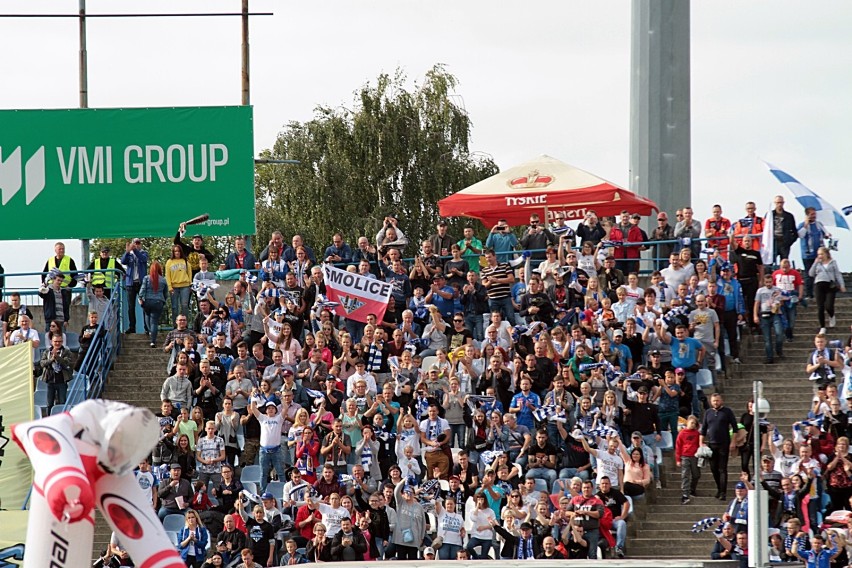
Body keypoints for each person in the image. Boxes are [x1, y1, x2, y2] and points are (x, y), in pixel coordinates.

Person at [700, 393, 739, 501]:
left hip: (724, 444)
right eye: (713, 401)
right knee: (713, 469)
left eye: (717, 400)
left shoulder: (727, 411)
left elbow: (735, 428)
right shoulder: (708, 412)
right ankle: (719, 488)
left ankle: (723, 492)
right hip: (711, 444)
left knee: (722, 469)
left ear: (721, 400)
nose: (715, 403)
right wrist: (701, 443)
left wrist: (733, 442)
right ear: (711, 402)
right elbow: (703, 429)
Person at [809, 246, 846, 334]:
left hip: (830, 285)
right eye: (818, 254)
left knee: (829, 305)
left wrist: (842, 285)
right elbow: (811, 274)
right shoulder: (817, 263)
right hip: (819, 284)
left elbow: (837, 274)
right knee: (820, 307)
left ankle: (831, 315)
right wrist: (815, 263)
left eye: (821, 254)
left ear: (826, 254)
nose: (820, 256)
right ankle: (822, 326)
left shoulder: (833, 262)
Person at [797, 206, 830, 302]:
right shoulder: (802, 225)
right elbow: (800, 235)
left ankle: (821, 293)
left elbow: (825, 234)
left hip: (820, 254)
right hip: (807, 254)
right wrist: (806, 224)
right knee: (808, 274)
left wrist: (828, 235)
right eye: (812, 214)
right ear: (807, 215)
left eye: (815, 214)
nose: (814, 216)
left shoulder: (819, 224)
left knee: (821, 273)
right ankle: (809, 294)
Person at [754, 273, 785, 364]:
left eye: (770, 282)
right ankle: (769, 357)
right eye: (767, 282)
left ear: (773, 281)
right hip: (764, 315)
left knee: (779, 333)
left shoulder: (777, 290)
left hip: (775, 314)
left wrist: (778, 304)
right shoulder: (760, 291)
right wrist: (755, 315)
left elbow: (782, 301)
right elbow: (757, 303)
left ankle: (779, 350)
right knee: (767, 338)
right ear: (764, 282)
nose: (768, 284)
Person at [596, 475, 630, 558]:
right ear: (599, 485)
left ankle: (619, 548)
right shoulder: (597, 496)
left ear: (610, 484)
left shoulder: (616, 493)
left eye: (606, 483)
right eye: (603, 483)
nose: (604, 485)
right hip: (602, 522)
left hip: (614, 520)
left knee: (622, 523)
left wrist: (622, 516)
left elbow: (626, 503)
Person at [39, 334, 73, 413]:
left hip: (62, 380)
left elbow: (66, 363)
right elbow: (42, 363)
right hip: (50, 380)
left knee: (62, 402)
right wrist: (51, 359)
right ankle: (49, 418)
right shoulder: (47, 352)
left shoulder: (66, 352)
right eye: (55, 341)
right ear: (51, 342)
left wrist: (57, 357)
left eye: (59, 341)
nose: (57, 343)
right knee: (49, 403)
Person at [675, 415, 701, 504]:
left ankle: (692, 489)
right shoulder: (682, 433)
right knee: (685, 475)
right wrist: (678, 459)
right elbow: (678, 446)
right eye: (691, 423)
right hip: (685, 456)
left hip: (695, 456)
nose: (693, 425)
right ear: (687, 423)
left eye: (695, 423)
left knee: (696, 474)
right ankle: (685, 494)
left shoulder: (697, 433)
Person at [767, 195, 799, 263]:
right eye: (778, 202)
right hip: (773, 242)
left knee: (784, 262)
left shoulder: (789, 216)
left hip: (784, 243)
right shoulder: (769, 215)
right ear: (775, 203)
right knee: (770, 262)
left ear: (783, 203)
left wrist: (789, 242)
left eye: (781, 202)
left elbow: (794, 231)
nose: (779, 204)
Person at [166, 244, 192, 324]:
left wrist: (190, 284)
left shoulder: (185, 261)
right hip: (174, 287)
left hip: (185, 286)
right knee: (174, 307)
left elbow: (189, 273)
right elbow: (167, 275)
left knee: (184, 305)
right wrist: (170, 287)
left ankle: (185, 323)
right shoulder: (169, 262)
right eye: (175, 251)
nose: (177, 253)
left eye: (178, 251)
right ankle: (175, 324)